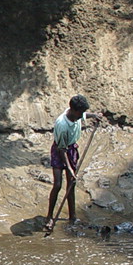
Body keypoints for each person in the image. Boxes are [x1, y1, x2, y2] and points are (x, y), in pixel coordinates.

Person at [44, 95, 89, 232]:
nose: (81, 116)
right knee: (57, 184)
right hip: (60, 150)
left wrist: (95, 115)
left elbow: (85, 114)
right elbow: (61, 150)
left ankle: (73, 216)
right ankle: (50, 217)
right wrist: (69, 168)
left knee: (71, 184)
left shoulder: (76, 115)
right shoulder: (62, 125)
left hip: (71, 149)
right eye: (80, 113)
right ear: (73, 110)